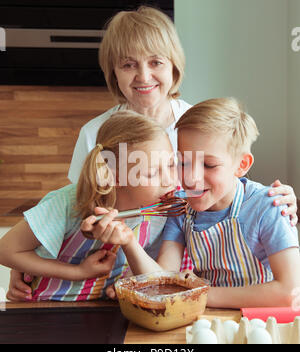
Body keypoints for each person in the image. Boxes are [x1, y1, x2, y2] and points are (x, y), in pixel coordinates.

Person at [7, 6, 298, 301]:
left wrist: (281, 199)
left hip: (169, 268)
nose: (143, 75)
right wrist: (37, 260)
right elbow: (73, 209)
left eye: (156, 61)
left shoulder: (193, 124)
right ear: (113, 73)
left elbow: (230, 183)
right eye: (128, 64)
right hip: (112, 276)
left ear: (174, 67)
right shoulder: (95, 133)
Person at [86, 98, 300, 308]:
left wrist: (198, 294)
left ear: (241, 165)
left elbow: (289, 292)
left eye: (209, 164)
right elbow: (162, 280)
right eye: (183, 162)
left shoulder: (268, 206)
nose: (191, 178)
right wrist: (128, 241)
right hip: (207, 320)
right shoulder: (181, 209)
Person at [0, 111, 178, 301]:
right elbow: (5, 250)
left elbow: (154, 278)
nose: (169, 180)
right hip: (48, 309)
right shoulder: (67, 203)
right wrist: (78, 272)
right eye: (151, 173)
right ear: (116, 177)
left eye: (171, 164)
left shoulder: (159, 211)